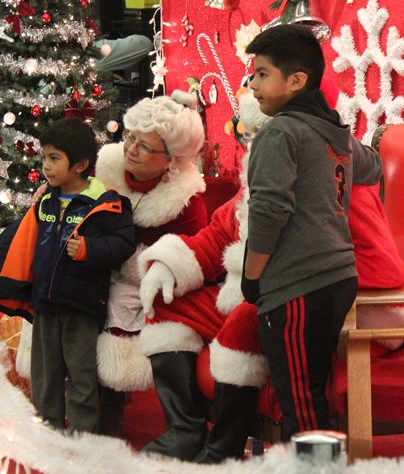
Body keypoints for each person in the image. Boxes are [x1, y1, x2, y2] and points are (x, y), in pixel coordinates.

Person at [137, 58, 398, 463]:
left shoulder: (343, 181)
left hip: (314, 308)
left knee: (247, 322)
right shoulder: (261, 177)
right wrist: (172, 262)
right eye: (254, 135)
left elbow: (382, 268)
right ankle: (183, 430)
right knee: (165, 302)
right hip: (251, 292)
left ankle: (225, 447)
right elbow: (220, 233)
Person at [240, 24, 382, 443]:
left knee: (302, 407)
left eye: (263, 74)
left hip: (299, 284)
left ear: (296, 80)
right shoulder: (330, 131)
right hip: (338, 278)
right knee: (310, 396)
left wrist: (252, 276)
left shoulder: (281, 132)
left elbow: (269, 211)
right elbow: (371, 165)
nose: (253, 84)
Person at [0, 117, 136, 433]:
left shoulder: (106, 205)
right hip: (44, 304)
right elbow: (22, 240)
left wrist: (88, 250)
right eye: (44, 157)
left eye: (54, 158)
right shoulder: (46, 200)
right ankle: (49, 430)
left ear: (80, 164)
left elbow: (123, 244)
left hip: (80, 307)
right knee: (46, 374)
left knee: (81, 375)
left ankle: (84, 436)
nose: (46, 165)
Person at [93, 90, 208, 437]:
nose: (130, 149)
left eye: (144, 146)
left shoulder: (186, 200)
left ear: (172, 159)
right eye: (130, 138)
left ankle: (178, 426)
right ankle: (89, 410)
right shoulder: (106, 170)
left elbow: (189, 259)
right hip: (96, 268)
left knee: (116, 307)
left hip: (150, 286)